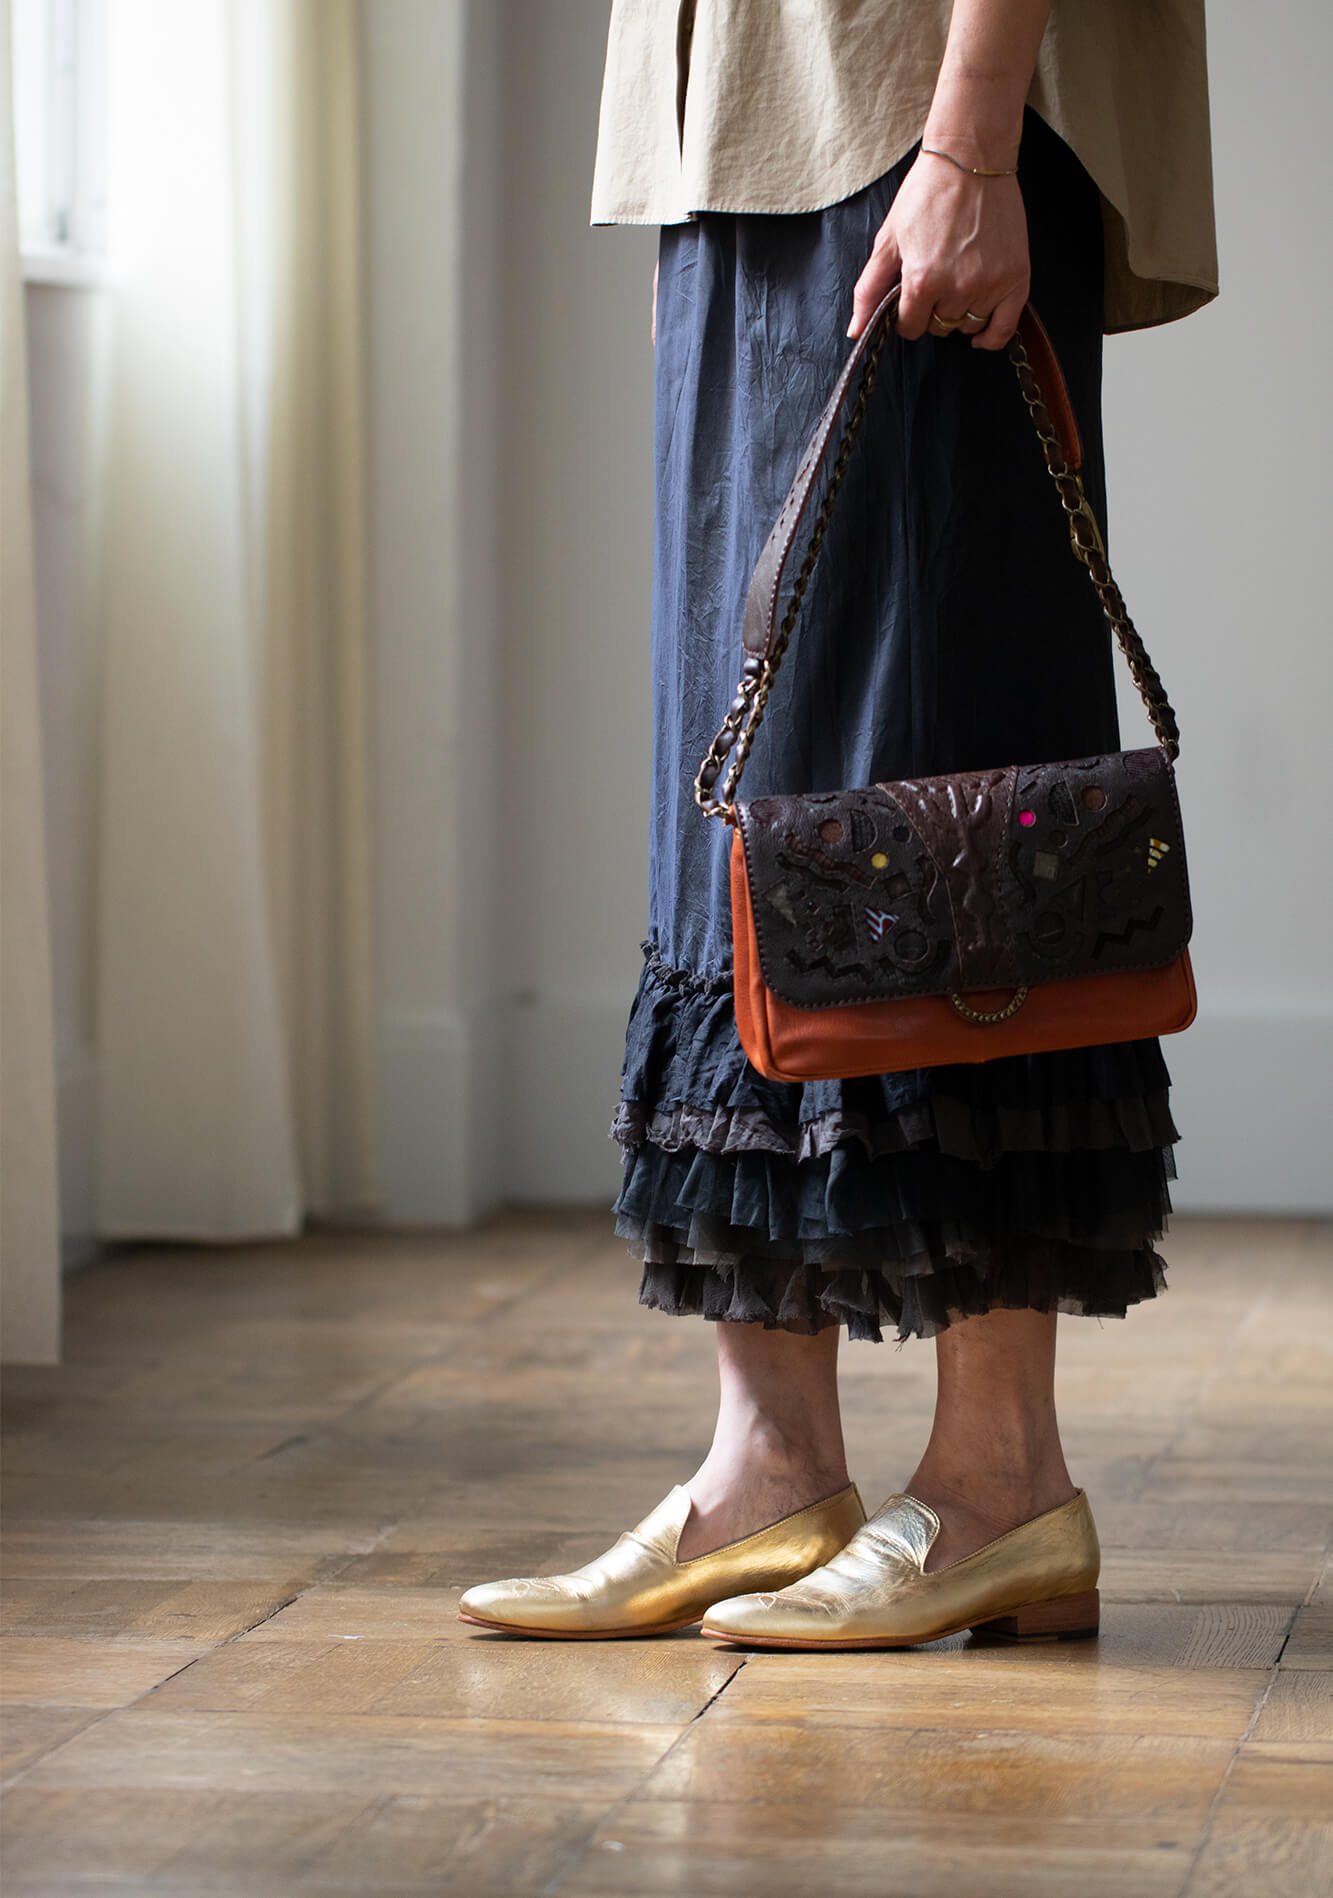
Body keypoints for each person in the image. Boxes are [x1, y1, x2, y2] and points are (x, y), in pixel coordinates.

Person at [460, 0, 1217, 1647]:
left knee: (953, 789)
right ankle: (769, 1466)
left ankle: (1001, 1477)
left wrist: (972, 136)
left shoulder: (960, 141)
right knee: (748, 791)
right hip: (742, 130)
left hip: (917, 112)